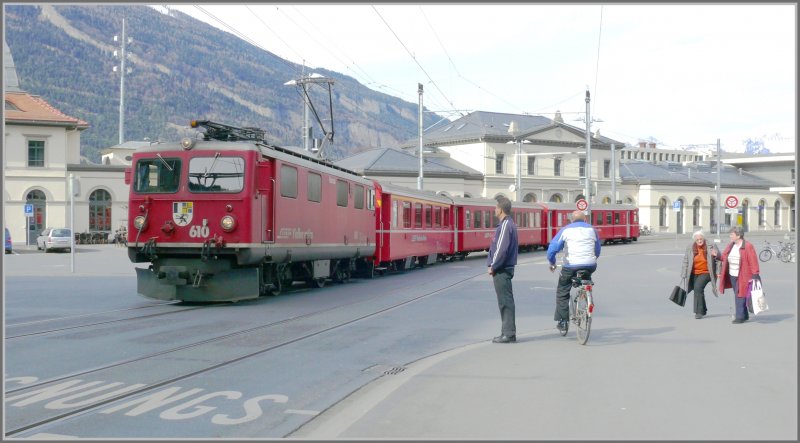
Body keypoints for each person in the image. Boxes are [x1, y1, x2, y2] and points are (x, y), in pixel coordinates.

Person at [547, 210, 601, 333]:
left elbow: (552, 248)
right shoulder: (592, 229)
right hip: (590, 265)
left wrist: (552, 263)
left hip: (571, 266)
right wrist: (592, 259)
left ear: (571, 220)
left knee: (563, 290)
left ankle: (563, 321)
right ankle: (586, 294)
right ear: (585, 220)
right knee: (586, 278)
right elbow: (597, 249)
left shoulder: (566, 230)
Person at [487, 196, 519, 343]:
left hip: (502, 269)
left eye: (495, 208)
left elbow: (501, 249)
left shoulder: (505, 225)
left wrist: (493, 266)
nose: (494, 210)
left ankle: (509, 334)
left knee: (505, 301)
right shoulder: (507, 224)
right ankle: (507, 332)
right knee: (505, 301)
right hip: (504, 267)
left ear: (500, 209)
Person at [718, 226, 760, 324]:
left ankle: (740, 316)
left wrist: (755, 274)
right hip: (732, 274)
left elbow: (753, 261)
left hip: (744, 274)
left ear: (738, 235)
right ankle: (744, 315)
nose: (730, 236)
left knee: (740, 294)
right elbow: (724, 256)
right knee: (739, 294)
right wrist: (718, 255)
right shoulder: (731, 245)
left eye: (731, 234)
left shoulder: (748, 246)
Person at [680, 230, 720, 319]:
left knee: (698, 287)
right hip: (694, 272)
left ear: (704, 238)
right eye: (697, 239)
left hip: (707, 272)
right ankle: (703, 309)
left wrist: (718, 272)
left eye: (701, 239)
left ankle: (698, 312)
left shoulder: (711, 245)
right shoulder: (690, 246)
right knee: (697, 290)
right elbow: (686, 260)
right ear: (694, 239)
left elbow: (718, 259)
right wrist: (684, 273)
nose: (699, 241)